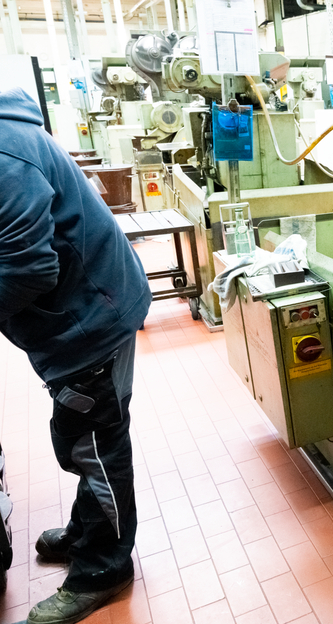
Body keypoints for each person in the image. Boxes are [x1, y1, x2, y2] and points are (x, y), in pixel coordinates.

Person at [0, 88, 151, 624]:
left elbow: (28, 268)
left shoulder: (4, 152)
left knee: (95, 446)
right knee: (78, 436)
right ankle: (88, 530)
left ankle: (103, 569)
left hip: (90, 319)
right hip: (83, 309)